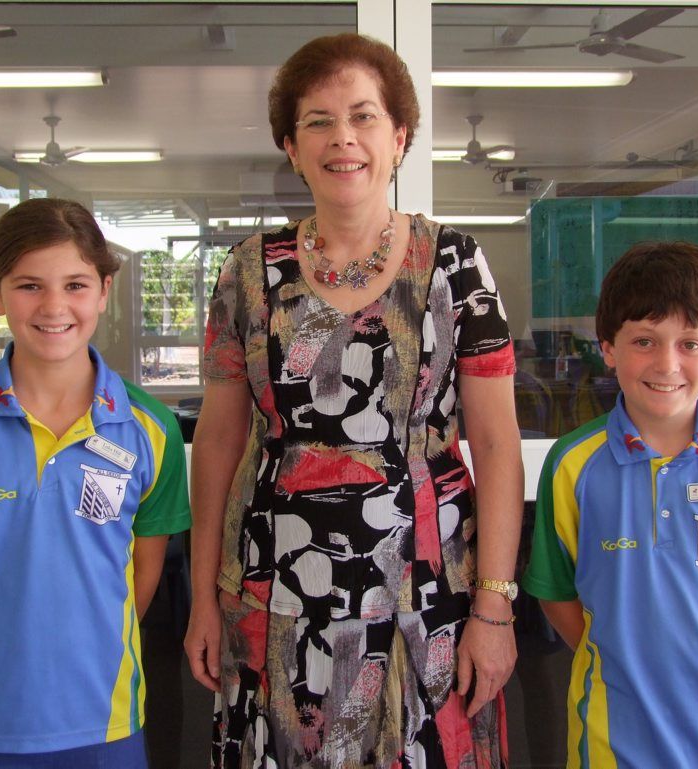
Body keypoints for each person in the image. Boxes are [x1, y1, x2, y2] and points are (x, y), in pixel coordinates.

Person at [183, 32, 524, 768]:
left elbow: (497, 445)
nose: (345, 138)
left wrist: (495, 605)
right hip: (274, 596)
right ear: (291, 144)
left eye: (365, 117)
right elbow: (216, 441)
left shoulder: (455, 265)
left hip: (428, 600)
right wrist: (202, 595)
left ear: (398, 138)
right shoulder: (247, 273)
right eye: (319, 121)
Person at [0, 198, 190, 769]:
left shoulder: (150, 431)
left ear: (104, 291)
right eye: (29, 285)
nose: (54, 306)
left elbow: (143, 573)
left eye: (76, 284)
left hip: (105, 720)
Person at [523, 242, 698, 768]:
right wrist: (625, 659)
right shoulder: (574, 465)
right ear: (608, 346)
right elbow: (558, 596)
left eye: (690, 344)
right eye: (644, 341)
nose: (667, 364)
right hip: (617, 730)